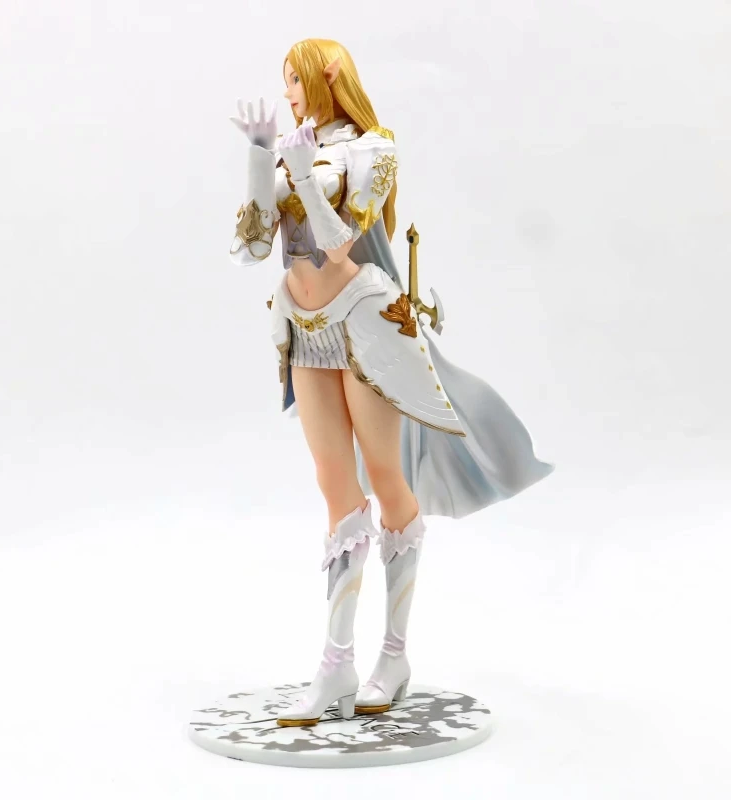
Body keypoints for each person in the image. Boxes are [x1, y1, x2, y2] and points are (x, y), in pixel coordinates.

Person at [229, 38, 553, 727]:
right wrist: (261, 158)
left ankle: (395, 655)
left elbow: (338, 242)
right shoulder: (291, 148)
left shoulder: (373, 148)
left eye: (294, 79)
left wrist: (300, 171)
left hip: (364, 318)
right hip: (303, 325)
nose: (287, 93)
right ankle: (335, 664)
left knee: (383, 477)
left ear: (328, 75)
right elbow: (253, 248)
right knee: (333, 486)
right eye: (284, 81)